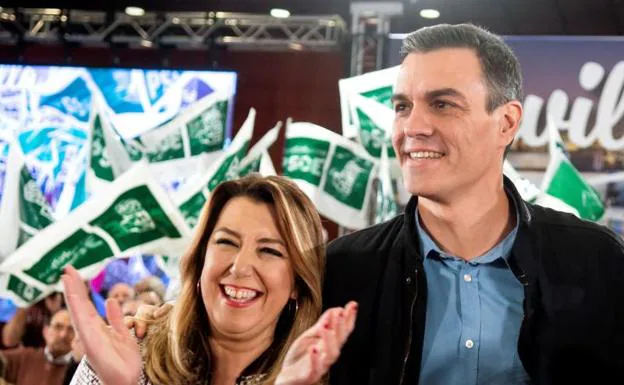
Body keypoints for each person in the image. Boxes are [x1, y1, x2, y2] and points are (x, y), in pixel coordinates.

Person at [323, 23, 624, 385]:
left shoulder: (596, 260)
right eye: (402, 106)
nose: (412, 126)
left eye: (442, 104)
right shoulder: (342, 271)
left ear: (507, 123)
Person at [63, 175, 357, 385]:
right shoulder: (133, 347)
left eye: (269, 250)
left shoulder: (307, 379)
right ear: (201, 257)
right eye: (227, 242)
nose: (241, 267)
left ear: (296, 282)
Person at [0, 309, 75, 385]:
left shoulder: (79, 368)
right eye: (58, 327)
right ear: (45, 331)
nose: (63, 335)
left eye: (71, 329)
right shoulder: (26, 356)